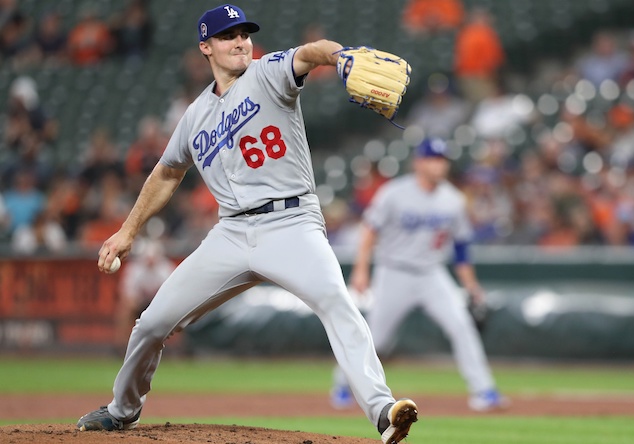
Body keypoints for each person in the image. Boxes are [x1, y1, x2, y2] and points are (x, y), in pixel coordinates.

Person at [76, 5, 418, 444]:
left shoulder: (268, 72)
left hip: (292, 223)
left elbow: (311, 52)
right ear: (206, 47)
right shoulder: (195, 115)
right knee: (151, 324)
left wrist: (342, 55)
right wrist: (128, 231)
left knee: (337, 302)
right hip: (231, 234)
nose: (240, 41)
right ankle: (122, 411)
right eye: (227, 36)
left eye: (244, 33)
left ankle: (382, 410)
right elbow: (166, 172)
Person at [332, 138, 508, 412]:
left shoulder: (453, 200)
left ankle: (484, 390)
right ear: (418, 162)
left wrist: (471, 286)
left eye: (442, 159)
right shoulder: (395, 192)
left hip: (431, 274)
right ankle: (344, 383)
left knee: (462, 326)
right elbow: (369, 230)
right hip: (393, 272)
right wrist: (361, 269)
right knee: (376, 339)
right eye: (433, 158)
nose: (439, 164)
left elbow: (461, 249)